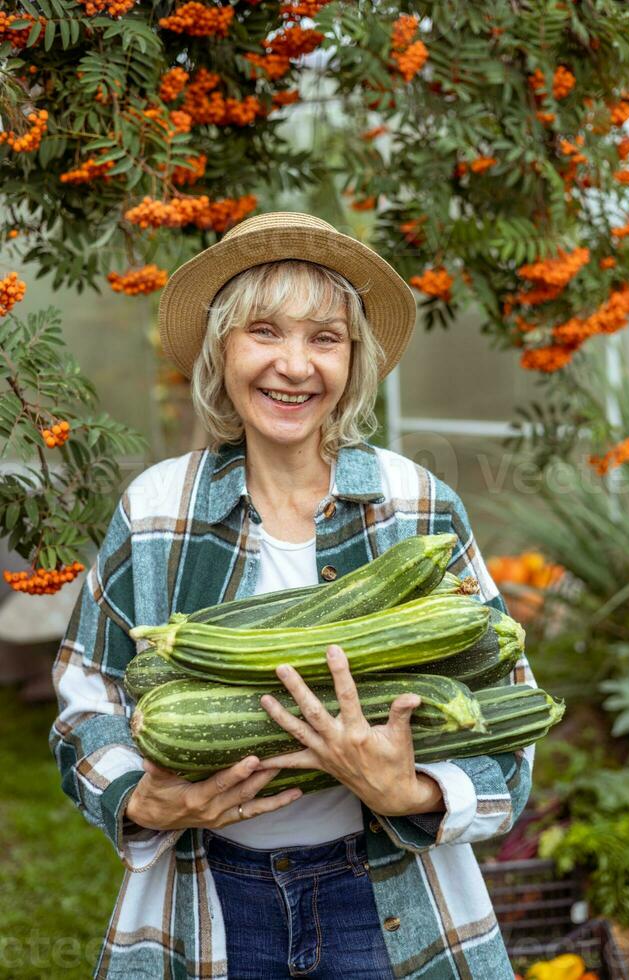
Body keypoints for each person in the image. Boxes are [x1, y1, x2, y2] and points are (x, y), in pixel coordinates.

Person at [49, 211, 536, 979]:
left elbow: (509, 715)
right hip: (209, 893)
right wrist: (141, 801)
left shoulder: (417, 505)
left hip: (384, 894)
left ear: (354, 361)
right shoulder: (155, 509)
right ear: (222, 348)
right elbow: (88, 699)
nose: (295, 365)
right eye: (265, 331)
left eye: (325, 338)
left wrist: (412, 790)